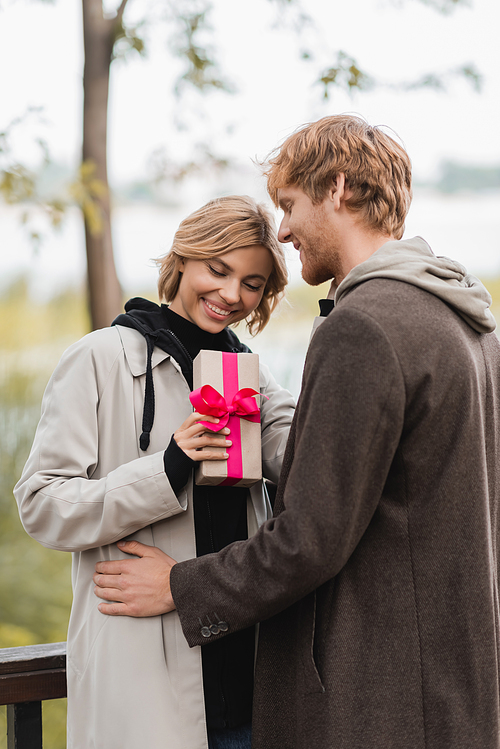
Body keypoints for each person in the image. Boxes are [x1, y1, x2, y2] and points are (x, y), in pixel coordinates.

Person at [92, 114, 500, 749]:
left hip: (377, 700)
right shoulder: (469, 325)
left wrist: (179, 584)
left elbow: (307, 540)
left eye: (289, 204)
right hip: (455, 690)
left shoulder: (364, 325)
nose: (283, 230)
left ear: (336, 189)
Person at [14, 194, 295, 749]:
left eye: (253, 283)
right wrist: (166, 469)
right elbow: (41, 504)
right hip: (144, 694)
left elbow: (315, 462)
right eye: (218, 270)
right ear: (183, 259)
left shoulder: (254, 381)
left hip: (252, 692)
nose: (231, 294)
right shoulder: (98, 359)